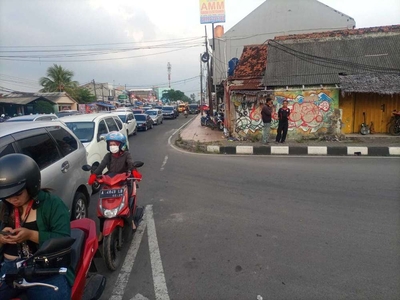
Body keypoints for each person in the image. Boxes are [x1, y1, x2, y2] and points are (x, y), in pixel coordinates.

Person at [0, 154, 73, 300]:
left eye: (18, 194)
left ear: (31, 185)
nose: (13, 199)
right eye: (7, 195)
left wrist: (31, 235)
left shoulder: (52, 204)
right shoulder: (4, 208)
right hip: (9, 269)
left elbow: (64, 240)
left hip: (44, 270)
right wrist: (1, 239)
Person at [88, 131, 136, 241]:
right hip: (110, 180)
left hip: (124, 180)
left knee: (127, 200)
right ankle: (101, 231)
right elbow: (101, 166)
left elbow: (130, 163)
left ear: (121, 145)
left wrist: (134, 171)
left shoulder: (126, 155)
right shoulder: (108, 156)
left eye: (115, 144)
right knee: (101, 209)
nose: (112, 146)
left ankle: (131, 220)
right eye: (111, 144)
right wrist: (94, 174)